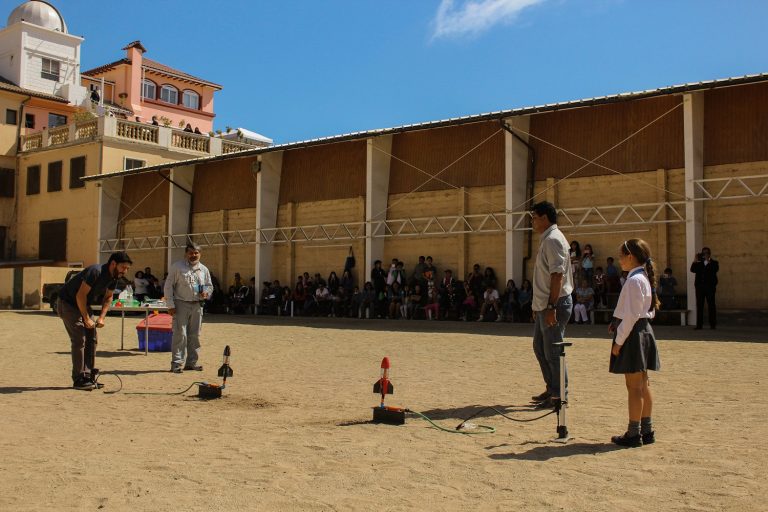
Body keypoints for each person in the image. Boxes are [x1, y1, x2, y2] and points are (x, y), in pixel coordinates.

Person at [609, 239, 661, 447]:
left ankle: (633, 433)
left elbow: (630, 316)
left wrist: (618, 342)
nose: (620, 260)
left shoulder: (633, 281)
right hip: (644, 330)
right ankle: (647, 430)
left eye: (622, 256)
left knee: (634, 387)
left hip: (633, 335)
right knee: (643, 384)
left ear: (630, 256)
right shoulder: (643, 278)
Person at [57, 251, 132, 390]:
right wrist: (86, 318)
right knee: (80, 338)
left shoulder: (114, 278)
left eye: (127, 269)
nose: (125, 271)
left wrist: (101, 317)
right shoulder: (95, 271)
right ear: (113, 264)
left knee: (92, 338)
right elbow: (80, 295)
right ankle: (79, 378)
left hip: (83, 304)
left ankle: (88, 376)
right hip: (67, 303)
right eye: (123, 267)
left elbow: (109, 297)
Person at [530, 201, 574, 408]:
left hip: (554, 304)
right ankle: (551, 389)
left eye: (535, 217)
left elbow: (557, 276)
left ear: (545, 218)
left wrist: (551, 308)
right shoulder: (548, 238)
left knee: (553, 351)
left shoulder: (553, 240)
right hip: (544, 305)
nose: (533, 222)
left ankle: (559, 395)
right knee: (540, 348)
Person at [164, 243, 213, 373]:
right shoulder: (177, 267)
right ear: (186, 254)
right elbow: (168, 286)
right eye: (191, 253)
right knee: (180, 334)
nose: (193, 255)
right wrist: (170, 305)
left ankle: (192, 363)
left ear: (200, 254)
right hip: (181, 304)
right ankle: (176, 363)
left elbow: (209, 286)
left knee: (195, 335)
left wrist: (206, 293)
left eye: (196, 253)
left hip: (197, 305)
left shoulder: (204, 269)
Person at [690, 247, 719, 329]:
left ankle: (712, 324)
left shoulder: (714, 262)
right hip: (700, 288)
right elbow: (692, 270)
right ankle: (699, 325)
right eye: (703, 253)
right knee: (699, 306)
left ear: (709, 254)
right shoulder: (699, 263)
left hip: (710, 287)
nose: (704, 254)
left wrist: (709, 261)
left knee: (711, 306)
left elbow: (715, 269)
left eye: (706, 253)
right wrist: (695, 261)